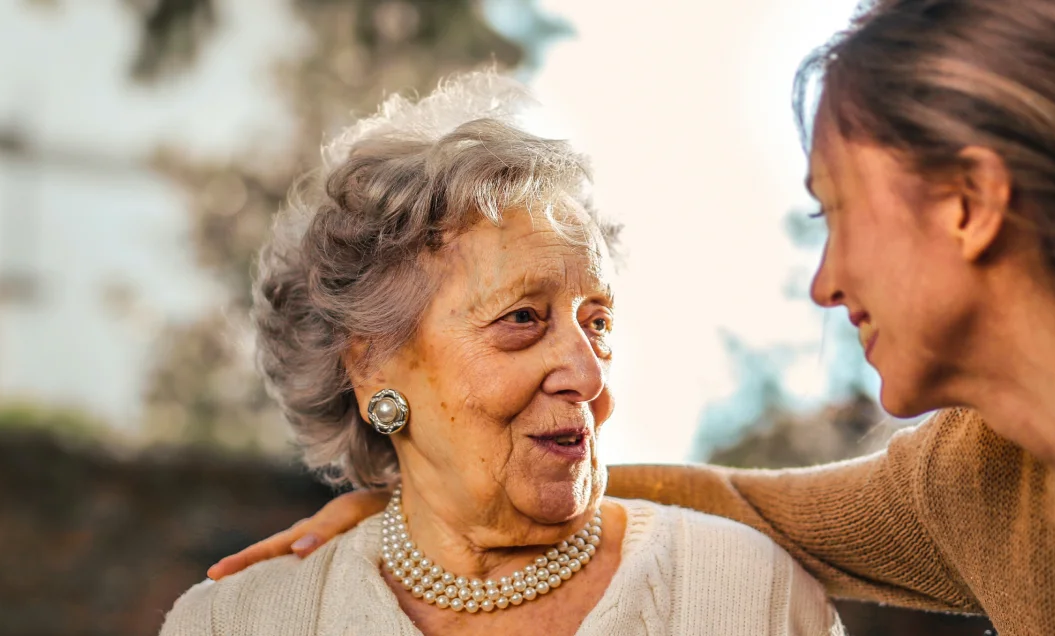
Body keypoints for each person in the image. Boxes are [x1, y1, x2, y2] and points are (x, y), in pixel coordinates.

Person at [203, 1, 1055, 634]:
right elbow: (740, 505)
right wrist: (424, 492)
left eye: (835, 212)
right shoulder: (998, 479)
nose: (825, 282)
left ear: (970, 204)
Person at [157, 72, 840, 635]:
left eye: (597, 321)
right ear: (370, 366)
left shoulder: (751, 601)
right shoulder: (236, 624)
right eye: (522, 318)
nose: (588, 373)